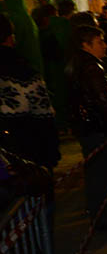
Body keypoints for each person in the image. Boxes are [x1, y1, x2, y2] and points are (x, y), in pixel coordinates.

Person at [65, 23, 107, 229]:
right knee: (101, 173)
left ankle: (101, 208)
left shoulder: (80, 63)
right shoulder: (91, 67)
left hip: (90, 127)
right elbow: (103, 100)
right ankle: (101, 216)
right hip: (98, 128)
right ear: (86, 45)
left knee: (97, 172)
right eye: (100, 42)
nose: (105, 46)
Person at [0, 13, 59, 170]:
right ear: (10, 38)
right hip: (23, 151)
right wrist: (51, 153)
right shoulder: (24, 72)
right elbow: (43, 113)